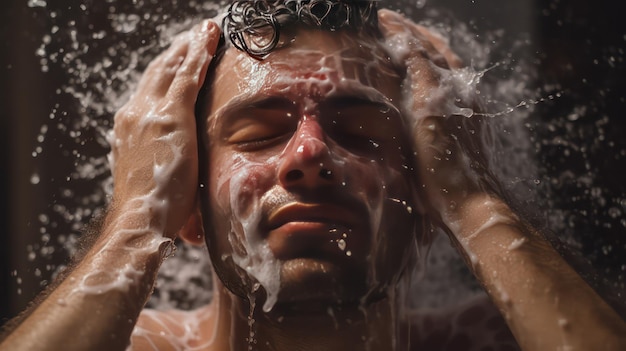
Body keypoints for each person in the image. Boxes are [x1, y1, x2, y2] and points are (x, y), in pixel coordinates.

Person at [1, 1, 625, 350]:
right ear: (186, 204)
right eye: (257, 133)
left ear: (428, 200)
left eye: (361, 133)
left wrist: (475, 205)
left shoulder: (496, 343)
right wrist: (136, 219)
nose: (310, 154)